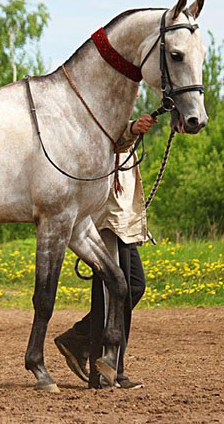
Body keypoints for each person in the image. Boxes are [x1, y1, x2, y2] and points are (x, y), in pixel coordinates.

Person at [54, 113, 156, 389]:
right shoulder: (98, 111)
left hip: (121, 217)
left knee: (133, 285)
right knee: (111, 293)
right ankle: (107, 370)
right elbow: (102, 138)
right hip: (106, 216)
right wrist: (130, 128)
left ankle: (79, 340)